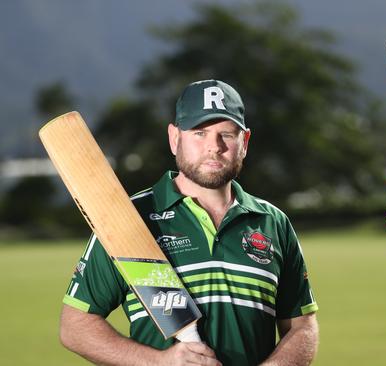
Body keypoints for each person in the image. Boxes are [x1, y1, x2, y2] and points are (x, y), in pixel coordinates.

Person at [59, 79, 319, 366]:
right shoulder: (130, 218)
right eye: (200, 133)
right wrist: (160, 362)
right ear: (174, 138)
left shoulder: (273, 223)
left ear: (244, 142)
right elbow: (75, 327)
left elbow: (302, 326)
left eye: (227, 135)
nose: (214, 147)